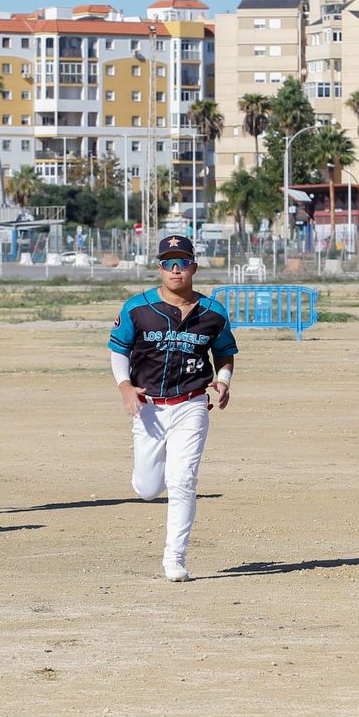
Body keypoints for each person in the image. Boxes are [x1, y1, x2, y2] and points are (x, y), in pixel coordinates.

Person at [107, 235, 237, 581]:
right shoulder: (138, 308)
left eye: (182, 262)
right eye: (168, 262)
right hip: (148, 407)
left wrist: (223, 381)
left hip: (191, 403)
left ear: (194, 266)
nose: (176, 269)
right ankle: (158, 469)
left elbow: (225, 354)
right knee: (148, 488)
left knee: (181, 481)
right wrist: (124, 386)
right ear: (159, 267)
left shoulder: (213, 312)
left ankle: (174, 559)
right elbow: (118, 348)